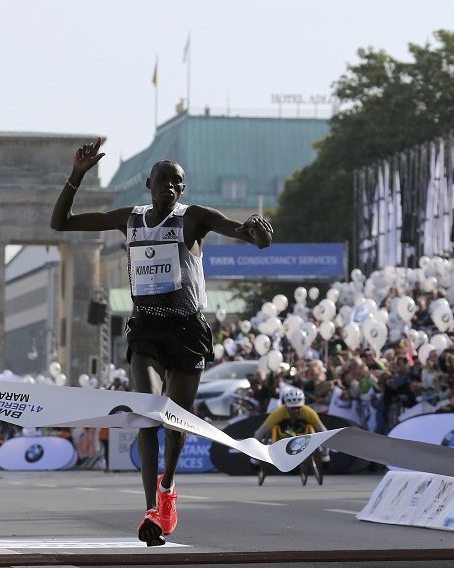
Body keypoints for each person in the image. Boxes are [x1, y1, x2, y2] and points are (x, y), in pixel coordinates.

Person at [50, 137, 273, 546]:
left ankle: (168, 486)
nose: (170, 186)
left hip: (188, 330)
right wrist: (77, 176)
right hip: (146, 328)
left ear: (182, 189)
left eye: (177, 181)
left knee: (176, 421)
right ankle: (151, 508)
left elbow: (246, 235)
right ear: (149, 185)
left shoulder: (195, 218)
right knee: (148, 412)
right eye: (163, 180)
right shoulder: (129, 219)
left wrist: (258, 233)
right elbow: (61, 224)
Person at [252, 387, 329, 484]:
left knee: (313, 428)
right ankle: (256, 459)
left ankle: (323, 455)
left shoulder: (309, 412)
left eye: (298, 408)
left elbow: (324, 431)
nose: (296, 411)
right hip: (283, 434)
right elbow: (259, 433)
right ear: (286, 406)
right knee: (266, 431)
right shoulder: (278, 412)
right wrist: (255, 458)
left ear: (303, 405)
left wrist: (325, 455)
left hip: (302, 432)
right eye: (292, 408)